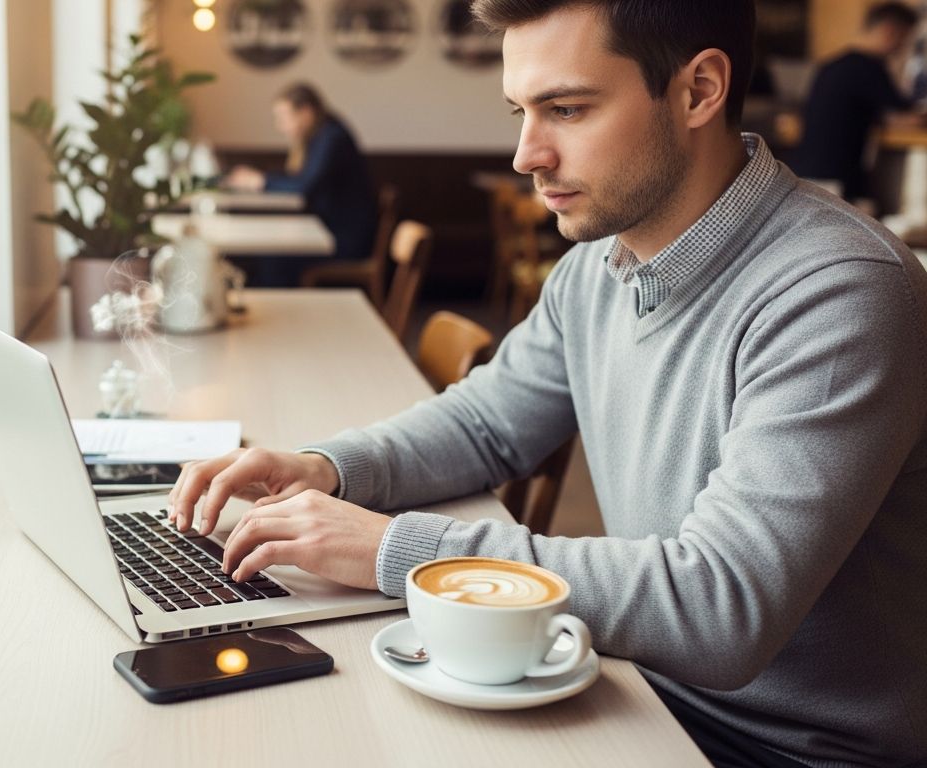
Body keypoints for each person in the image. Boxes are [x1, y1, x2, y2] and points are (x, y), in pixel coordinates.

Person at [169, 1, 927, 766]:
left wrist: (398, 549)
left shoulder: (841, 293)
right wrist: (326, 467)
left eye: (566, 109)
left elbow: (718, 609)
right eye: (521, 112)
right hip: (630, 685)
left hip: (778, 750)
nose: (526, 154)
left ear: (699, 90)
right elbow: (487, 424)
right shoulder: (597, 269)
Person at [224, 84, 378, 285]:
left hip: (343, 240)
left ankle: (277, 309)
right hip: (328, 230)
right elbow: (298, 179)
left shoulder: (332, 137)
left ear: (305, 112)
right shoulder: (321, 135)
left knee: (274, 257)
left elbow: (303, 187)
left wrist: (260, 181)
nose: (280, 126)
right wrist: (263, 179)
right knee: (269, 253)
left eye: (283, 118)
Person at [792, 2, 926, 203]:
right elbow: (907, 116)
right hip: (836, 178)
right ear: (890, 31)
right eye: (904, 39)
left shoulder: (832, 65)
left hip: (806, 173)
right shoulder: (868, 67)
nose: (902, 47)